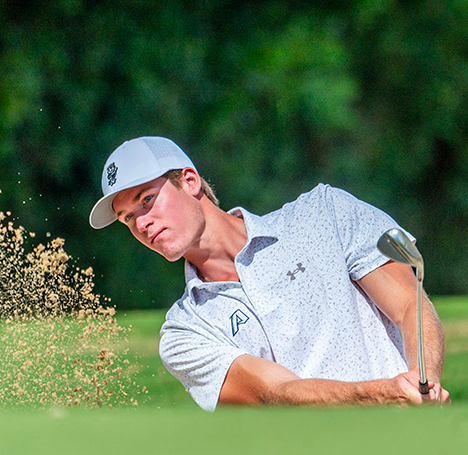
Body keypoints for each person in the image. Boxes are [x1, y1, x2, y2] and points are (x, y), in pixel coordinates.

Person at [89, 136, 450, 411]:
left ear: (189, 180)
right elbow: (275, 394)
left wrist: (423, 385)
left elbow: (408, 305)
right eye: (128, 218)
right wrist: (378, 395)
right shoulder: (184, 332)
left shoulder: (322, 213)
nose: (141, 223)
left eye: (146, 200)